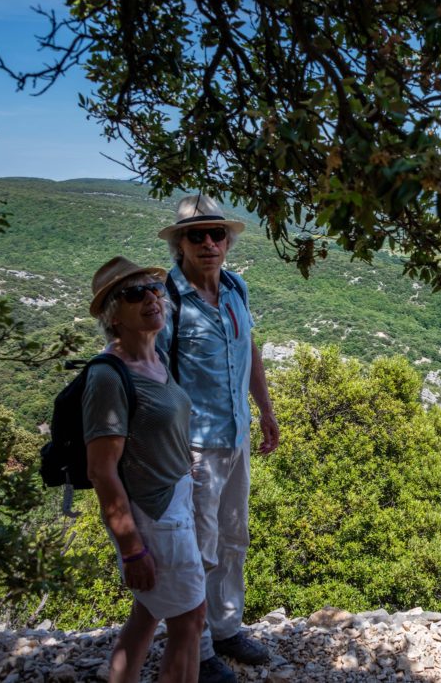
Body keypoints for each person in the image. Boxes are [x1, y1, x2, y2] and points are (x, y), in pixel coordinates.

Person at [155, 195, 280, 683]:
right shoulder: (165, 301)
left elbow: (247, 348)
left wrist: (265, 410)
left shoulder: (236, 289)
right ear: (180, 244)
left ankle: (227, 628)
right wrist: (171, 445)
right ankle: (199, 649)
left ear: (228, 241)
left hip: (237, 433)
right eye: (197, 235)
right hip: (194, 446)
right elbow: (156, 379)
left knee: (233, 537)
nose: (209, 243)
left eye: (217, 234)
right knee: (198, 548)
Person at [85, 256, 205, 682]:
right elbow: (102, 470)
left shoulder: (155, 359)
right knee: (190, 619)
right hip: (154, 515)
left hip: (174, 502)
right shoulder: (109, 377)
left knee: (148, 612)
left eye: (154, 289)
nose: (152, 298)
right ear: (113, 316)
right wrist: (132, 548)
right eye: (134, 294)